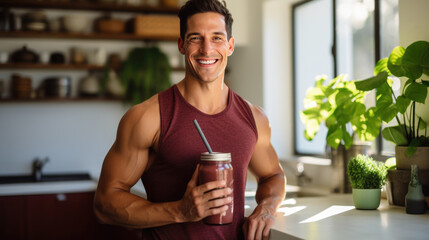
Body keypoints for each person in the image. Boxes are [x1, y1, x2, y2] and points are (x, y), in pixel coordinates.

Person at [93, 0, 286, 239]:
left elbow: (274, 176)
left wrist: (267, 208)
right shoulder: (148, 117)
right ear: (181, 45)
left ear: (230, 45)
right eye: (196, 38)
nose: (207, 49)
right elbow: (104, 204)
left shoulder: (254, 118)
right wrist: (181, 211)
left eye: (217, 38)